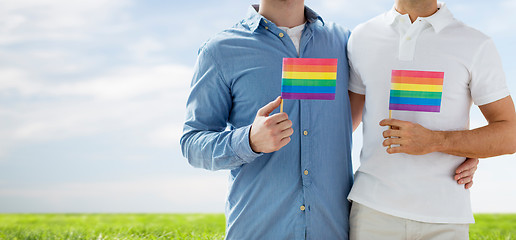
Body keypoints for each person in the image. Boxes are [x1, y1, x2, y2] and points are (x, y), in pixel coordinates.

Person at [181, 0, 477, 239]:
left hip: (333, 229)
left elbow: (393, 102)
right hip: (258, 228)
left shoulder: (345, 43)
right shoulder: (221, 50)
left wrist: (456, 149)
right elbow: (192, 142)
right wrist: (248, 140)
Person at [347, 0, 516, 239]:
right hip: (372, 213)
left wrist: (437, 141)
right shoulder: (362, 36)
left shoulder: (475, 44)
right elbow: (342, 126)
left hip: (445, 219)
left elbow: (510, 135)